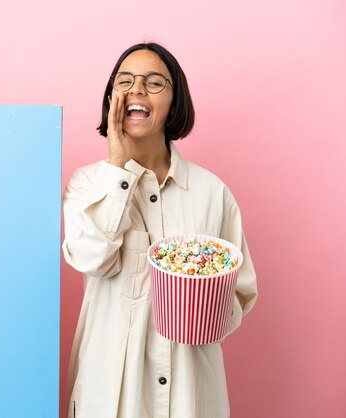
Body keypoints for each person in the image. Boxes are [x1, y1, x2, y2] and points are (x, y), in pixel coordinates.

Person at [62, 42, 258, 418]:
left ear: (175, 100)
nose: (137, 89)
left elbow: (241, 291)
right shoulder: (87, 185)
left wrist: (208, 310)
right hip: (113, 396)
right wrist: (119, 171)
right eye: (125, 81)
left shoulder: (211, 193)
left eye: (154, 82)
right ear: (111, 98)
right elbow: (91, 258)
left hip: (192, 395)